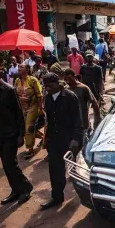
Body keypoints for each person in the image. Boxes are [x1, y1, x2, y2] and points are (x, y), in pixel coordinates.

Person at [0, 66, 34, 205]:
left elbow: (19, 113)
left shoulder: (9, 90)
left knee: (10, 163)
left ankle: (26, 187)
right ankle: (15, 190)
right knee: (5, 164)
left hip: (11, 134)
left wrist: (21, 135)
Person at [41, 73, 83, 210]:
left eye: (50, 85)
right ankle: (57, 197)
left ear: (57, 83)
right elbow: (48, 120)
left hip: (69, 140)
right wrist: (46, 138)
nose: (47, 88)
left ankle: (81, 196)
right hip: (54, 140)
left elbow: (78, 120)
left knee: (74, 170)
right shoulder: (47, 99)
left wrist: (76, 139)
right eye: (45, 86)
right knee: (55, 170)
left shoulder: (70, 97)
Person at [14, 63, 44, 159]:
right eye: (18, 67)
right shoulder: (17, 80)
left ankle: (30, 149)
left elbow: (39, 95)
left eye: (21, 67)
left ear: (27, 69)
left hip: (33, 107)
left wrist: (40, 109)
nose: (19, 68)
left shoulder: (33, 80)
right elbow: (14, 94)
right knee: (28, 128)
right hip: (22, 109)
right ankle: (44, 137)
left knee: (28, 128)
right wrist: (20, 99)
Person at [64, 69, 101, 146]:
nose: (67, 81)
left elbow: (94, 104)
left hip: (83, 123)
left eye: (69, 79)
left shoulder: (84, 88)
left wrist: (97, 121)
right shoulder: (66, 90)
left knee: (83, 144)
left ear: (74, 77)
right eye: (65, 79)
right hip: (71, 124)